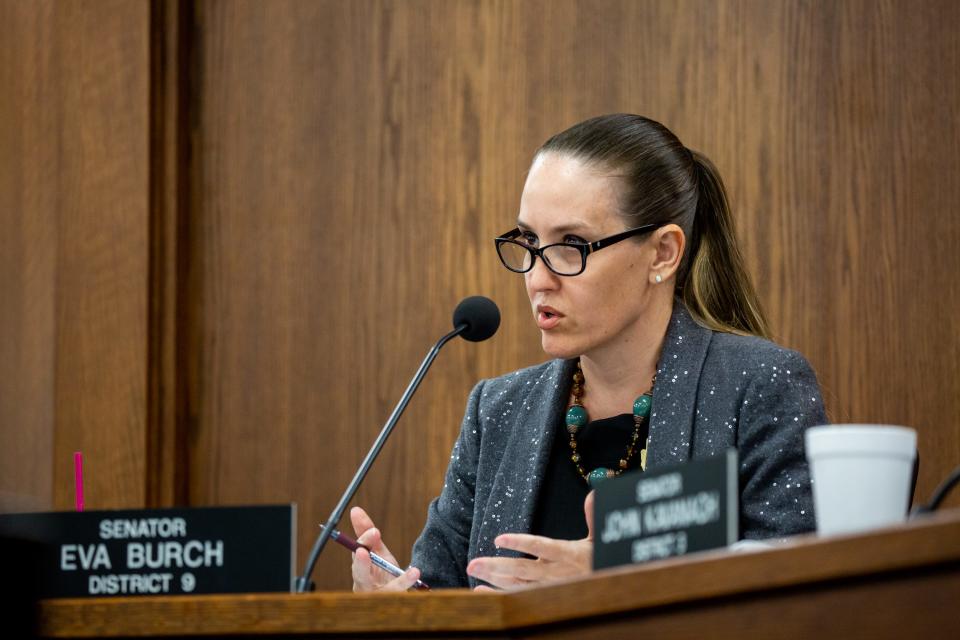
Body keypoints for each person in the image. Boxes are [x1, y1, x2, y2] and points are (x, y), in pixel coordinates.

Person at [350, 114, 827, 591]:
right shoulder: (498, 412)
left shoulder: (760, 387)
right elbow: (446, 596)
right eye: (531, 242)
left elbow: (798, 601)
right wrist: (403, 605)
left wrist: (615, 584)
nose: (537, 279)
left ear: (662, 253)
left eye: (572, 244)